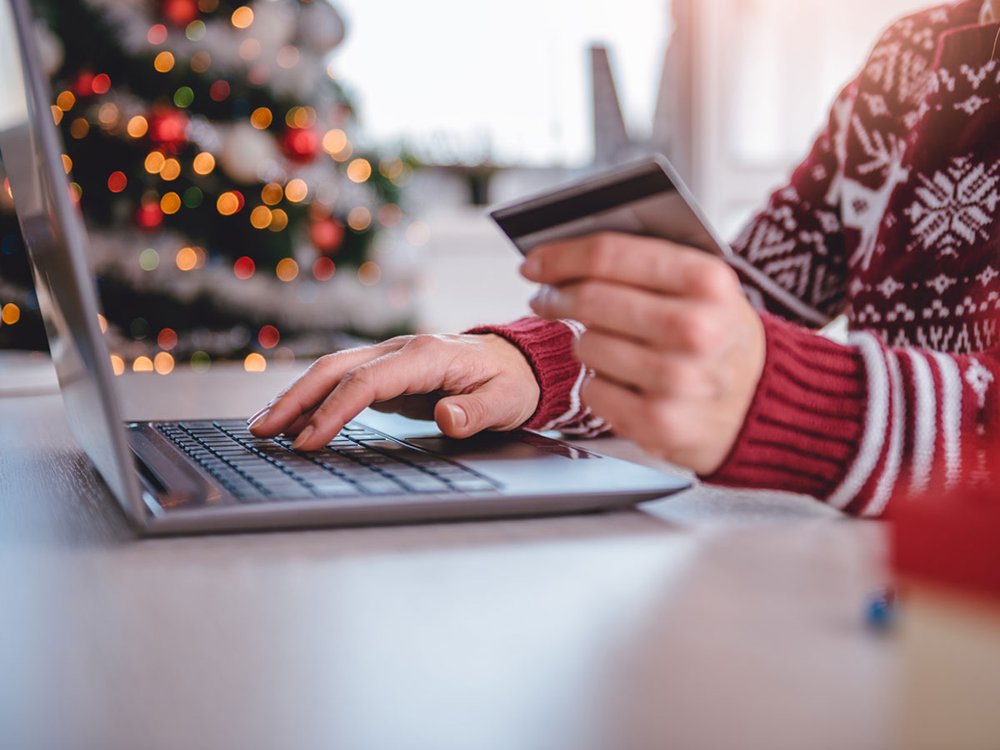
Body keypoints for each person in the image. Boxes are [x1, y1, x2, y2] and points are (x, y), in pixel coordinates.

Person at [249, 0, 1000, 516]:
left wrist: (791, 399)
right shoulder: (908, 59)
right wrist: (527, 365)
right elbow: (749, 304)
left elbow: (749, 361)